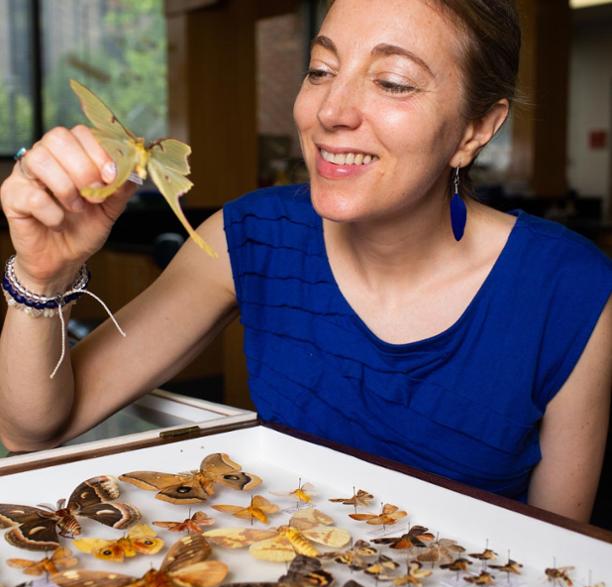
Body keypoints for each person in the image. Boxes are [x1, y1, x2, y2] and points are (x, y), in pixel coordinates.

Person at [0, 0, 610, 524]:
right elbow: (29, 431)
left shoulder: (568, 291)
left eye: (393, 82)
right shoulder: (251, 237)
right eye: (320, 70)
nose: (330, 111)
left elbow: (559, 561)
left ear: (476, 129)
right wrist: (43, 275)